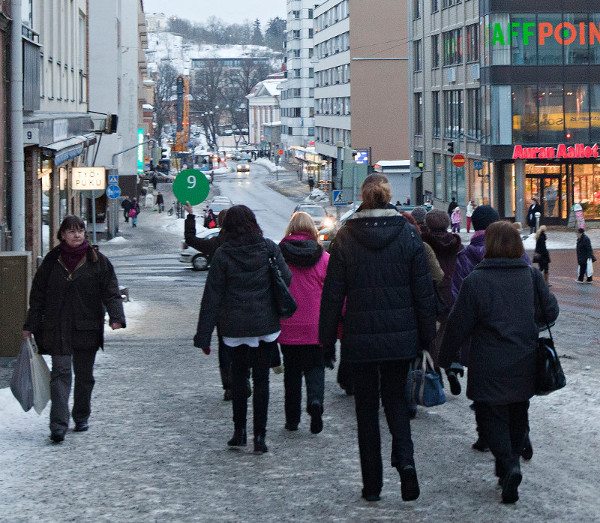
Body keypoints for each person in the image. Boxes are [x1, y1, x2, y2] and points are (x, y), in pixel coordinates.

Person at [319, 174, 436, 503]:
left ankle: (372, 485)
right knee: (397, 403)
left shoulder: (345, 237)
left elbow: (332, 295)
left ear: (363, 197)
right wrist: (427, 340)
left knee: (367, 413)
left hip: (360, 341)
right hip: (401, 339)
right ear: (387, 196)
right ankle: (408, 464)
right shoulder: (408, 234)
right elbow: (423, 293)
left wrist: (326, 341)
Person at [440, 221, 559, 504]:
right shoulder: (530, 276)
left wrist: (446, 358)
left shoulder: (476, 281)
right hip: (524, 359)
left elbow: (457, 325)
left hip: (487, 363)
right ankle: (510, 465)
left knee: (490, 416)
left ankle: (508, 465)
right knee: (518, 413)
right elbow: (551, 311)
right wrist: (530, 326)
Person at [194, 205, 292, 454]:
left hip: (234, 328)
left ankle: (239, 433)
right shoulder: (268, 247)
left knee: (239, 380)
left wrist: (204, 335)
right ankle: (260, 437)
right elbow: (287, 278)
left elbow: (212, 296)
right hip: (264, 325)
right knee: (262, 380)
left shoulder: (223, 253)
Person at [22, 215, 125, 443]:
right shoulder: (51, 260)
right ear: (62, 235)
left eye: (79, 230)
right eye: (71, 231)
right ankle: (58, 424)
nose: (76, 235)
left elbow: (111, 291)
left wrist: (116, 316)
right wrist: (30, 324)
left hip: (87, 327)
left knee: (84, 376)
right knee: (60, 374)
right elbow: (37, 296)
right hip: (56, 327)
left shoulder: (98, 260)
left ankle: (81, 416)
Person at [278, 211, 331, 434]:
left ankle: (292, 419)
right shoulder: (324, 258)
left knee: (291, 372)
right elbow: (332, 293)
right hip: (315, 325)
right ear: (312, 230)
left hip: (288, 323)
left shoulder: (279, 256)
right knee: (315, 367)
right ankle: (316, 401)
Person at [421, 210, 462, 374]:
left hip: (433, 293)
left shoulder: (423, 245)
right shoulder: (457, 244)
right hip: (453, 292)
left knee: (433, 334)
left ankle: (436, 369)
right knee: (450, 331)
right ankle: (451, 365)